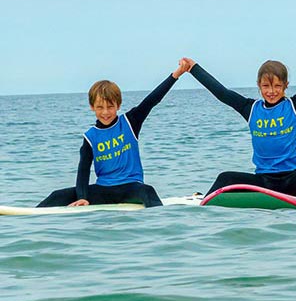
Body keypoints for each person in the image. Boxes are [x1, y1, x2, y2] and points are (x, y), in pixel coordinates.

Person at [187, 25, 296, 205]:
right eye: (266, 86)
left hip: (292, 180)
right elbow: (221, 92)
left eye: (277, 86)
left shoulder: (294, 105)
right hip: (263, 181)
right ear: (259, 86)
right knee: (225, 178)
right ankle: (202, 206)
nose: (271, 91)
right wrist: (194, 69)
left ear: (285, 85)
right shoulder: (251, 109)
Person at [37, 60, 194, 208]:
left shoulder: (130, 122)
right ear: (92, 107)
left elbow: (152, 100)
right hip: (103, 189)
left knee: (148, 190)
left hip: (131, 188)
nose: (105, 113)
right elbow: (83, 169)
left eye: (110, 107)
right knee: (57, 196)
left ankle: (162, 225)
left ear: (118, 105)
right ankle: (26, 217)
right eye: (100, 107)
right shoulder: (90, 137)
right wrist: (82, 197)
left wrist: (176, 74)